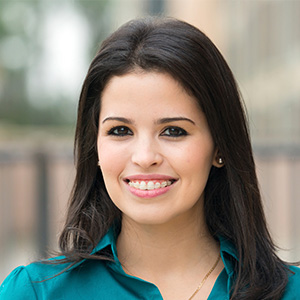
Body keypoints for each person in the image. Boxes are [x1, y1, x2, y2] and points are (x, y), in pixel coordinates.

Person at [0, 17, 299, 300]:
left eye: (173, 131)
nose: (145, 157)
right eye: (120, 130)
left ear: (220, 146)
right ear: (96, 149)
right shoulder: (35, 293)